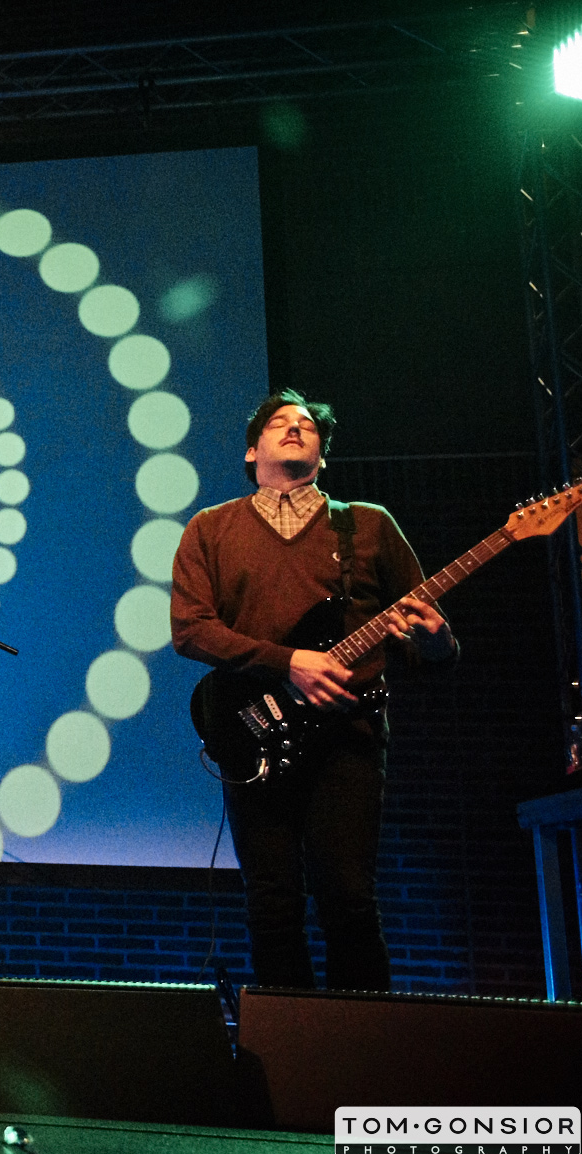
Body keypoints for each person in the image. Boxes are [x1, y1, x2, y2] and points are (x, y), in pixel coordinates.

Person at [170, 390, 457, 991]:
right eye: (279, 423)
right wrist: (288, 662)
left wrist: (437, 640)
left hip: (348, 738)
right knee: (271, 901)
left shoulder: (368, 525)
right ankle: (287, 1038)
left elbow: (425, 647)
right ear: (252, 452)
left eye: (307, 425)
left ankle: (360, 1038)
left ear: (323, 455)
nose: (295, 428)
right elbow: (191, 630)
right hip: (254, 732)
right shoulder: (211, 528)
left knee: (347, 896)